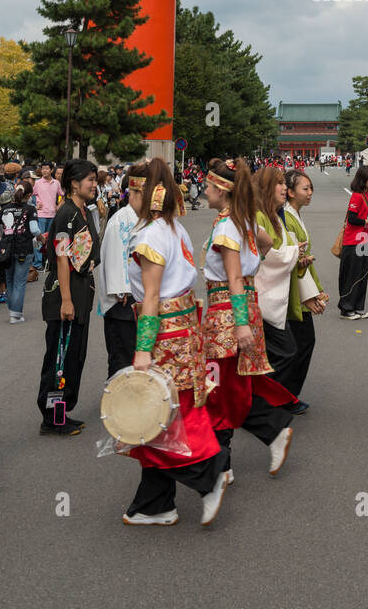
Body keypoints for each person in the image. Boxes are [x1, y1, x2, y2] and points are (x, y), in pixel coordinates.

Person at [122, 157, 226, 526]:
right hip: (183, 326)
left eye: (132, 190)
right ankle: (155, 504)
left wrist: (142, 348)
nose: (129, 197)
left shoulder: (150, 234)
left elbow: (151, 296)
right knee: (163, 417)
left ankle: (207, 477)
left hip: (163, 331)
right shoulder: (172, 227)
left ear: (141, 190)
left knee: (163, 417)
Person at [202, 159, 295, 480]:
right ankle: (229, 457)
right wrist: (254, 265)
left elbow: (234, 279)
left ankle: (261, 436)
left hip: (228, 312)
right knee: (229, 385)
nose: (204, 190)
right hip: (240, 309)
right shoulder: (239, 220)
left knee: (219, 387)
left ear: (222, 190)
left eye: (209, 186)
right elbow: (267, 243)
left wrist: (240, 322)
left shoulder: (228, 226)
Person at [36, 159, 100, 436]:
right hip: (66, 293)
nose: (95, 185)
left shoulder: (84, 211)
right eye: (91, 181)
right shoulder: (66, 214)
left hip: (81, 291)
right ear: (75, 183)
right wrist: (66, 300)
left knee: (74, 356)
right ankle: (52, 418)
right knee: (60, 358)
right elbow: (62, 258)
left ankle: (62, 411)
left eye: (96, 181)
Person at [254, 165, 305, 411]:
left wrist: (297, 255)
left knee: (279, 353)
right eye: (279, 183)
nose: (284, 188)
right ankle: (260, 403)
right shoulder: (260, 216)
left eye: (284, 183)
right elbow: (269, 256)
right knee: (286, 352)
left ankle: (266, 402)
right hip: (263, 296)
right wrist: (295, 252)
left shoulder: (273, 215)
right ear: (266, 188)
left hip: (274, 293)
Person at [283, 169, 329, 411]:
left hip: (300, 286)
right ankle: (287, 394)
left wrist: (318, 289)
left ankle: (287, 394)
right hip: (295, 291)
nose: (310, 193)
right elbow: (294, 260)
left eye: (311, 188)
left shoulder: (294, 215)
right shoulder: (288, 218)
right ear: (290, 192)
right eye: (305, 189)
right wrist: (311, 294)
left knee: (299, 344)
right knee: (301, 344)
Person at [95, 164, 146, 378]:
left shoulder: (144, 219)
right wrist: (121, 289)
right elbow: (114, 256)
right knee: (122, 357)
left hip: (139, 296)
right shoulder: (121, 219)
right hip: (123, 300)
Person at [0, 181, 41, 323]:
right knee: (19, 282)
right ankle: (16, 314)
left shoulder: (6, 208)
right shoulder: (31, 209)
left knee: (9, 281)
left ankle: (13, 312)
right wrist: (41, 238)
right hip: (24, 249)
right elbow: (34, 229)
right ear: (30, 195)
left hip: (6, 250)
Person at [338, 165, 368, 319]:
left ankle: (358, 306)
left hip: (364, 239)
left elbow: (363, 219)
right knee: (352, 274)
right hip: (352, 240)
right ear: (362, 179)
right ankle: (346, 308)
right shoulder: (356, 196)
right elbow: (352, 218)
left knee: (363, 273)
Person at [33, 163, 63, 250]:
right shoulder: (37, 183)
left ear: (51, 170)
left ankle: (46, 260)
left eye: (46, 168)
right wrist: (35, 206)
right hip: (41, 215)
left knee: (50, 239)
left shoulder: (56, 183)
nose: (44, 171)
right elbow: (30, 195)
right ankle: (38, 262)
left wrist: (59, 205)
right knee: (39, 239)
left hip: (52, 215)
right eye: (43, 169)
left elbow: (63, 195)